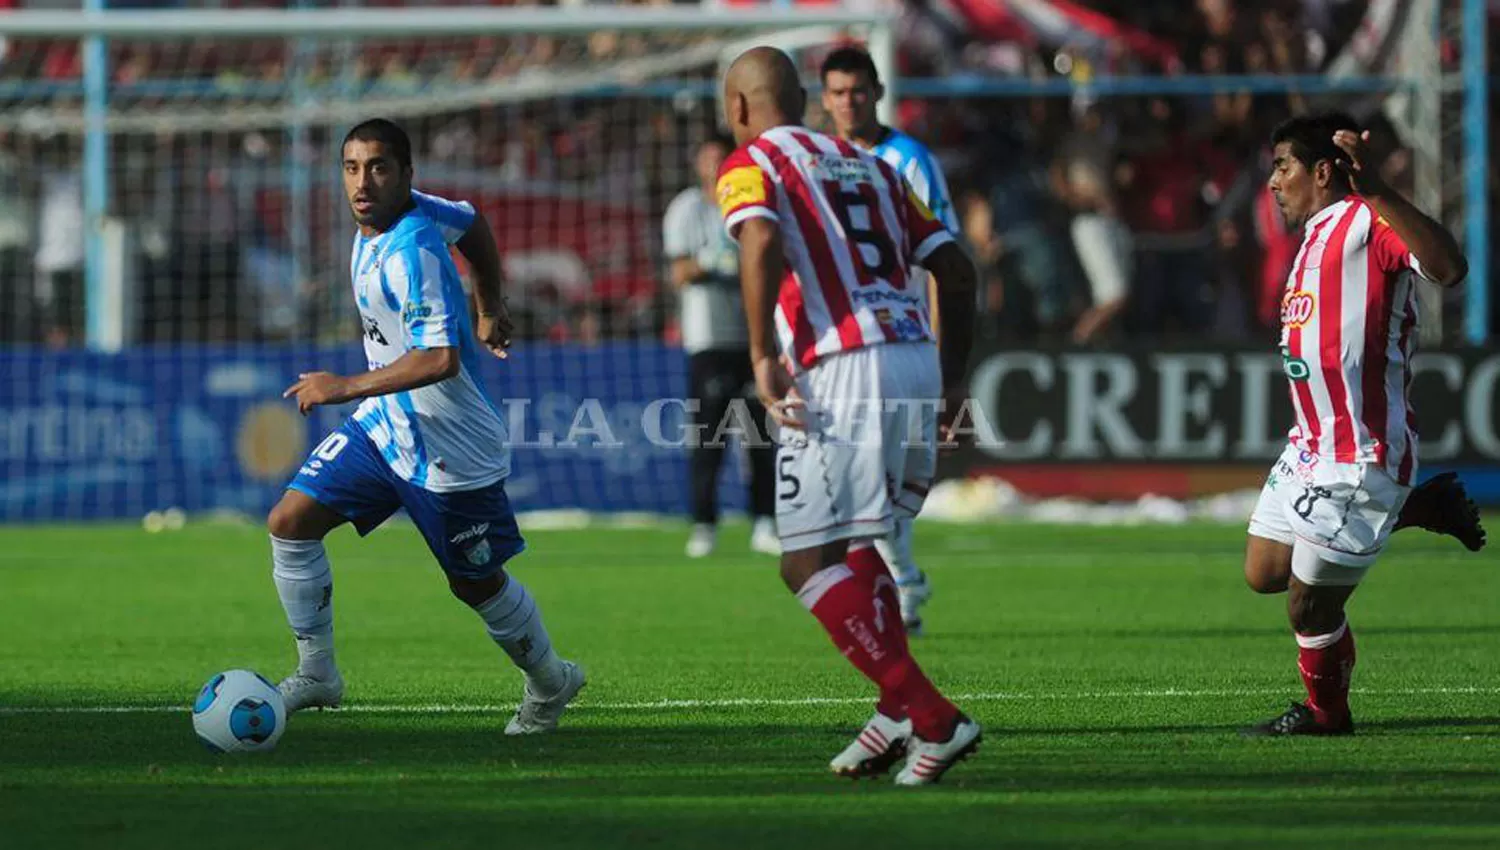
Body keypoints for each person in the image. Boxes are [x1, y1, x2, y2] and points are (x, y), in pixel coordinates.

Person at [268, 118, 586, 735]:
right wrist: (490, 305)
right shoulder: (409, 214)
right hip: (387, 425)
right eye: (352, 167)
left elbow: (440, 359)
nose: (364, 181)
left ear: (406, 175)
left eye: (380, 167)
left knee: (475, 584)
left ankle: (551, 681)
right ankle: (318, 674)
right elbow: (474, 223)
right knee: (290, 521)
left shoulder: (413, 249)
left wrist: (342, 386)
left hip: (450, 446)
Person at [718, 47, 981, 785]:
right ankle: (897, 712)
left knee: (804, 560)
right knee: (861, 544)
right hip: (913, 358)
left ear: (739, 107)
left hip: (840, 368)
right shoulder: (878, 165)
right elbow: (956, 271)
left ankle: (935, 716)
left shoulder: (752, 162)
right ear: (806, 97)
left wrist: (762, 353)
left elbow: (761, 237)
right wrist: (953, 379)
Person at [1242, 112, 1486, 737]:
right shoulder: (1311, 239)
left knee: (1309, 601)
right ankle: (1413, 509)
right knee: (1264, 573)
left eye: (1283, 166)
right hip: (1308, 446)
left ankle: (1328, 715)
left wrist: (1376, 189)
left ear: (1323, 171)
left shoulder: (1369, 221)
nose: (1273, 182)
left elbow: (1449, 267)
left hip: (1360, 450)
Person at [818, 44, 953, 635]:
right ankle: (900, 586)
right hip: (843, 345)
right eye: (838, 92)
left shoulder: (910, 161)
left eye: (859, 90)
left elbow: (943, 262)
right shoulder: (819, 161)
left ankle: (899, 588)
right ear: (825, 100)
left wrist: (945, 353)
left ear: (877, 91)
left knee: (882, 475)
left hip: (902, 340)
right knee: (859, 474)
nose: (849, 102)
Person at [663, 135, 779, 559]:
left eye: (721, 158)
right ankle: (704, 525)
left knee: (761, 437)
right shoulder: (686, 208)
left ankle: (765, 522)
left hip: (754, 336)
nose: (714, 166)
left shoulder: (753, 202)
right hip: (708, 338)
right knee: (709, 438)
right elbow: (677, 272)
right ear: (697, 163)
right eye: (707, 158)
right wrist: (714, 262)